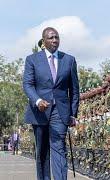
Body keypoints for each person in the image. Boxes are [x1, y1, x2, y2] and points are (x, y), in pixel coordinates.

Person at [23, 27, 79, 180]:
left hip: (60, 112)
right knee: (42, 152)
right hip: (39, 112)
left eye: (57, 37)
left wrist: (73, 114)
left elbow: (74, 90)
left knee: (59, 147)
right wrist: (38, 100)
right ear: (44, 41)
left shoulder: (69, 60)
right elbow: (28, 84)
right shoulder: (32, 59)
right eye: (51, 38)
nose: (55, 40)